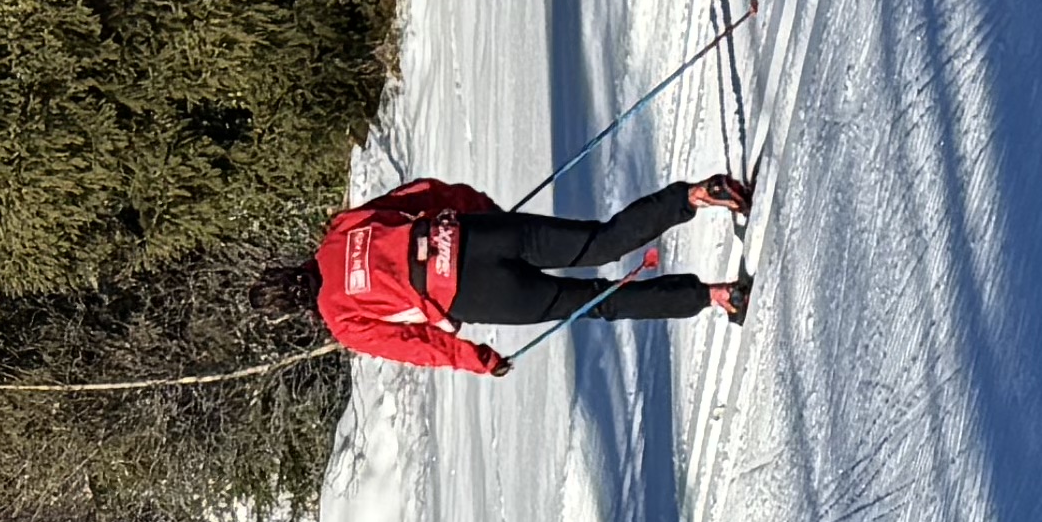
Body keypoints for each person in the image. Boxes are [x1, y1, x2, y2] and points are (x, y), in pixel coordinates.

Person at [297, 173, 753, 376]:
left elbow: (416, 345)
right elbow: (422, 193)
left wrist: (479, 360)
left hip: (479, 295)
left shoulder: (341, 321)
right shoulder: (340, 230)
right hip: (476, 236)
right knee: (601, 240)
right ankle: (695, 195)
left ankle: (718, 295)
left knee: (596, 300)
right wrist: (481, 212)